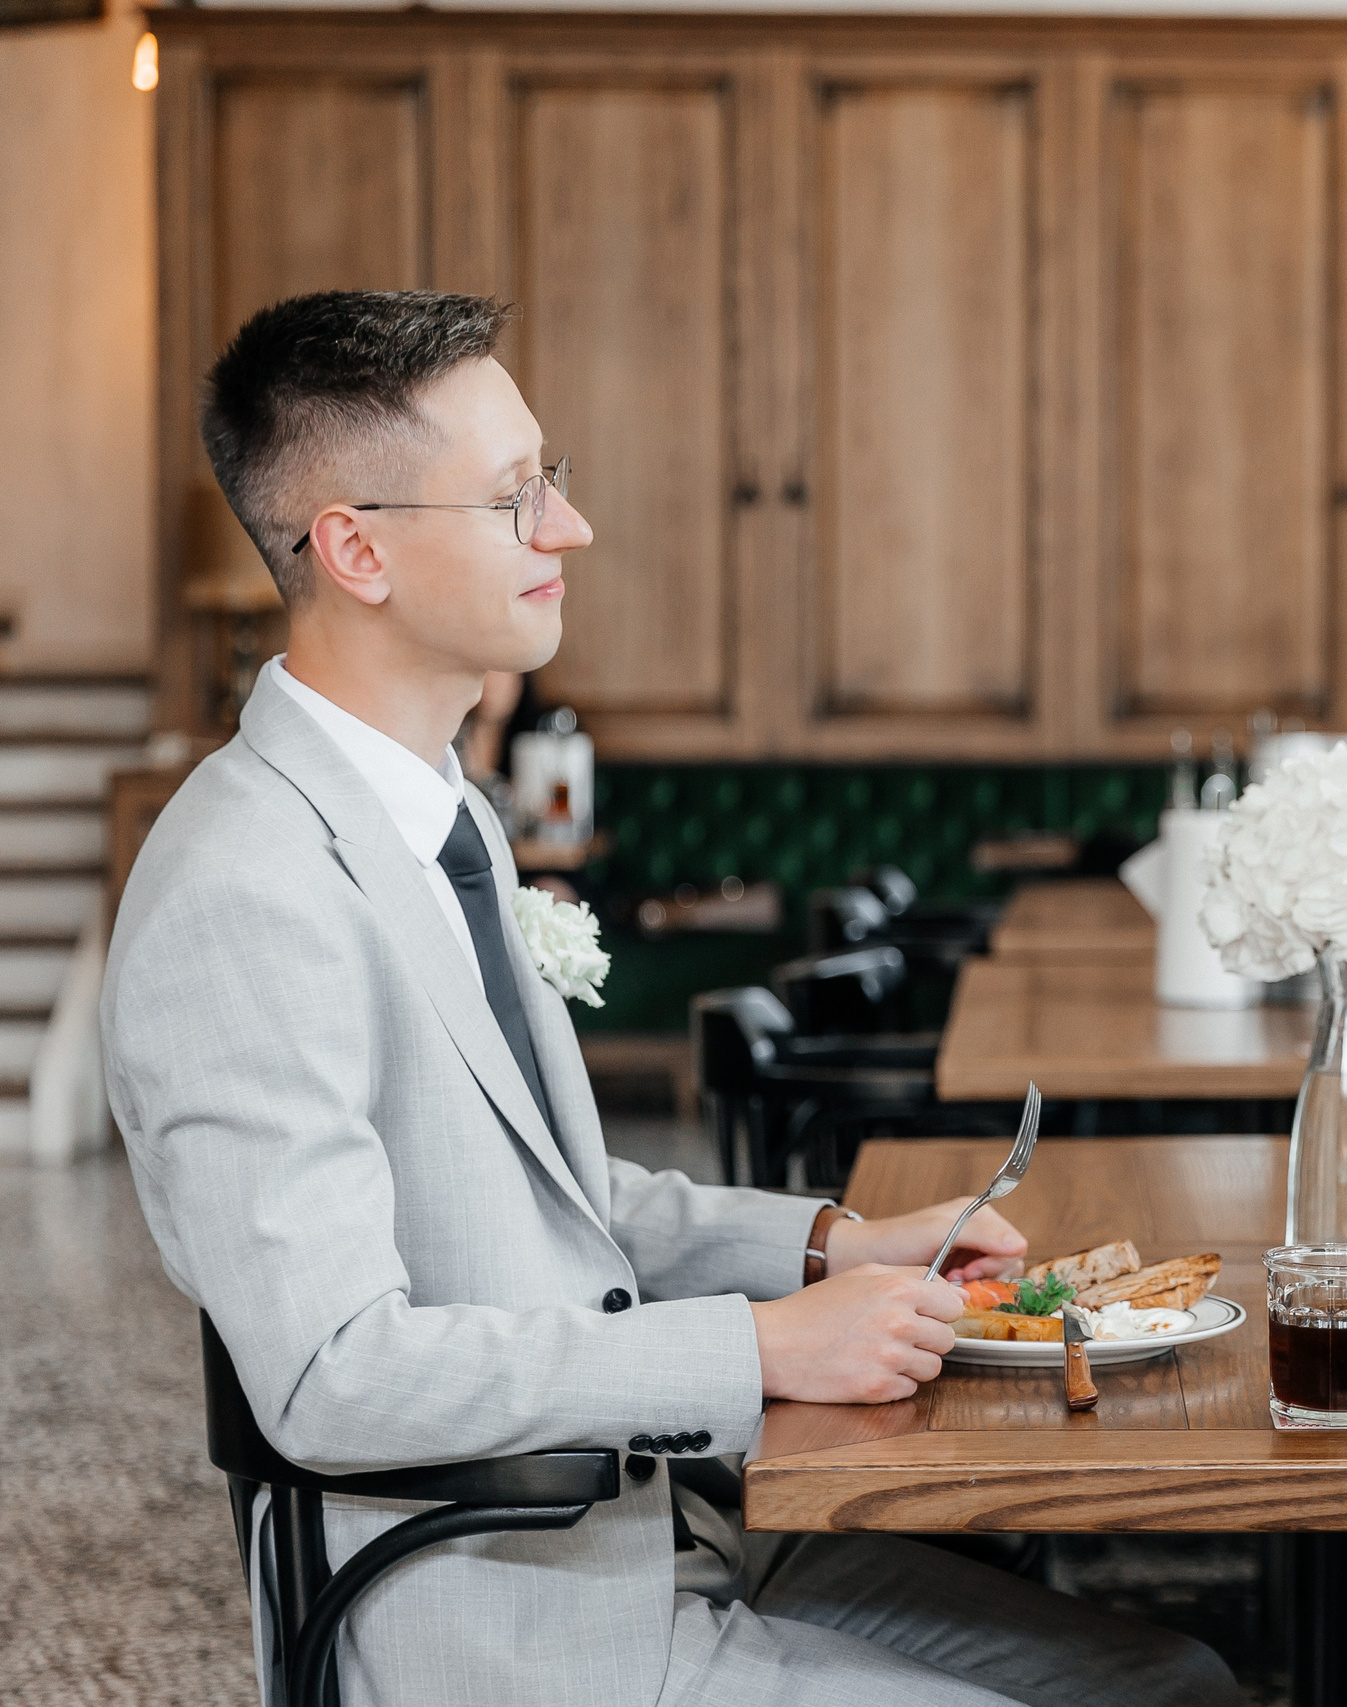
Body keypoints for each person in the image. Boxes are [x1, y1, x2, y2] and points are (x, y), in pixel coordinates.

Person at [102, 290, 1246, 1707]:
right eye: (516, 497)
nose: (569, 530)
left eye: (554, 481)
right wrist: (758, 1347)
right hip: (506, 1613)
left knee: (1173, 1678)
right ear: (357, 547)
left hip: (658, 1527)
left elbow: (552, 1207)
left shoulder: (438, 808)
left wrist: (831, 1244)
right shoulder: (245, 886)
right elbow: (337, 1371)